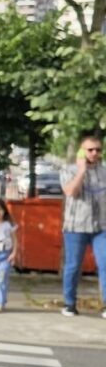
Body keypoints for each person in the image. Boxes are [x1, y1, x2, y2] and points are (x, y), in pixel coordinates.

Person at [63, 131, 106, 317]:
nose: (94, 153)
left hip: (101, 227)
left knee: (105, 264)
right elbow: (70, 192)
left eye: (98, 150)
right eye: (90, 150)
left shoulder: (104, 172)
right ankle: (69, 303)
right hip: (76, 226)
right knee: (73, 266)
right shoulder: (69, 170)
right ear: (81, 152)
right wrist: (81, 171)